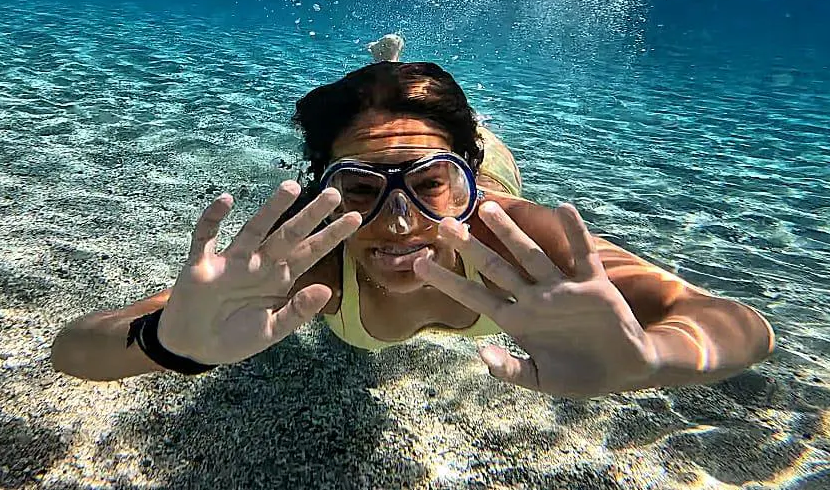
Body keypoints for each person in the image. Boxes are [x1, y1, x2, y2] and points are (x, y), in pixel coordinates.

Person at [51, 59, 775, 397]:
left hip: (485, 167)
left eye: (429, 185)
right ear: (325, 190)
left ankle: (422, 109)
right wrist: (168, 344)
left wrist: (653, 356)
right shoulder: (309, 258)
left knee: (449, 143)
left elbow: (741, 325)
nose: (399, 224)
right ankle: (387, 82)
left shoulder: (517, 236)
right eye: (361, 189)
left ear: (462, 178)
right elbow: (72, 349)